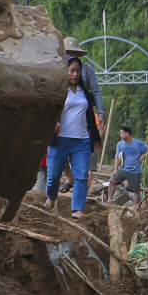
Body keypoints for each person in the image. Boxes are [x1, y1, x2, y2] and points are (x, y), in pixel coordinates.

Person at [38, 44, 104, 215]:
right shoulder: (57, 91)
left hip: (81, 140)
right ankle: (51, 198)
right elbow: (46, 109)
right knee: (52, 176)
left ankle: (77, 209)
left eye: (78, 71)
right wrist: (52, 122)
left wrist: (96, 134)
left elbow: (91, 113)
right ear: (65, 71)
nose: (75, 74)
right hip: (60, 139)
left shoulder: (84, 93)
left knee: (82, 176)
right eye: (71, 70)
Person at [111, 123, 148, 207]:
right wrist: (116, 168)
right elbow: (117, 157)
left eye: (122, 133)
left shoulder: (138, 144)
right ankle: (109, 200)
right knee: (112, 181)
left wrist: (142, 157)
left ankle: (135, 207)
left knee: (136, 190)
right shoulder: (120, 144)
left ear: (127, 134)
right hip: (124, 169)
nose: (120, 135)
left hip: (135, 170)